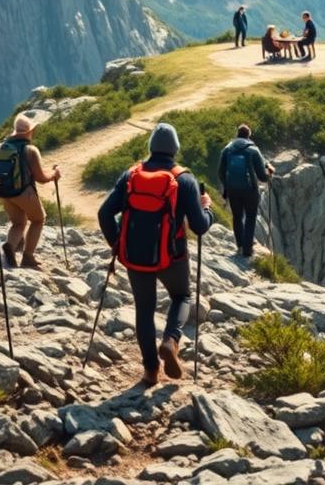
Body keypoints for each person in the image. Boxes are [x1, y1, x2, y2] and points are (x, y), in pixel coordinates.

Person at [98, 123, 213, 387]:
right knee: (181, 296)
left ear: (151, 147)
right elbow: (199, 227)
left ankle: (150, 371)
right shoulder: (184, 179)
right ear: (175, 149)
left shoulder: (130, 176)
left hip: (135, 257)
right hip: (172, 257)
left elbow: (104, 213)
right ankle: (171, 340)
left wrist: (118, 243)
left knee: (144, 310)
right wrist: (207, 209)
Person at [0, 113, 61, 270]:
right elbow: (41, 178)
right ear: (28, 132)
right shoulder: (30, 150)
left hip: (5, 193)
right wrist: (55, 174)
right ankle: (28, 257)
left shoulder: (0, 147)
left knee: (18, 223)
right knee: (38, 219)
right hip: (24, 193)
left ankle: (10, 246)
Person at [218, 124, 275, 257]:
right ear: (249, 135)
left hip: (232, 190)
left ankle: (240, 246)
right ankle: (248, 250)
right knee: (250, 218)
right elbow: (262, 176)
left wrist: (227, 185)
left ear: (237, 134)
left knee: (237, 217)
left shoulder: (227, 149)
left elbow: (220, 172)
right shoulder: (253, 150)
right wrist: (270, 174)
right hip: (250, 190)